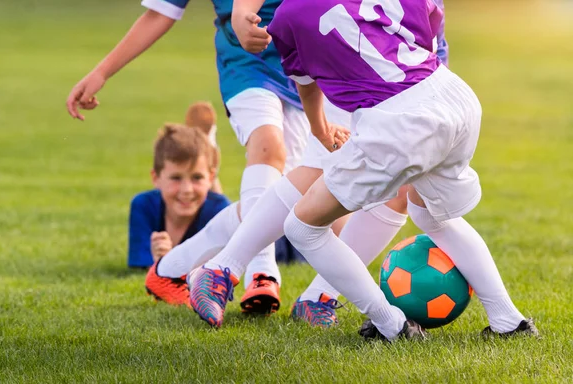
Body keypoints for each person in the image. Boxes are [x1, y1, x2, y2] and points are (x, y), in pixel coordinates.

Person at [189, 0, 538, 339]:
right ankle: (509, 320)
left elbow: (306, 84)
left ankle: (391, 325)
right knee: (432, 215)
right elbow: (427, 25)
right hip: (453, 97)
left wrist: (320, 128)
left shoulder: (289, 15)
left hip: (400, 120)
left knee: (302, 227)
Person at [174, 0, 445, 329]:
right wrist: (243, 11)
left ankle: (319, 296)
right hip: (345, 65)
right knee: (318, 173)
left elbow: (432, 45)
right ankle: (222, 269)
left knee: (396, 191)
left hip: (394, 87)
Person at [65, 0, 316, 314]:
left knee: (287, 197)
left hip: (307, 68)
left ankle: (170, 269)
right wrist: (101, 73)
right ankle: (261, 273)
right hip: (245, 63)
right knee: (268, 146)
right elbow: (160, 13)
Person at [128, 102, 227, 269]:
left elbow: (221, 268)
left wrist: (169, 262)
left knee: (225, 214)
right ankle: (204, 150)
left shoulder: (219, 209)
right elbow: (141, 267)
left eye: (196, 178)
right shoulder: (144, 205)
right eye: (176, 178)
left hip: (280, 240)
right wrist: (158, 260)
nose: (186, 190)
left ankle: (206, 149)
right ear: (156, 178)